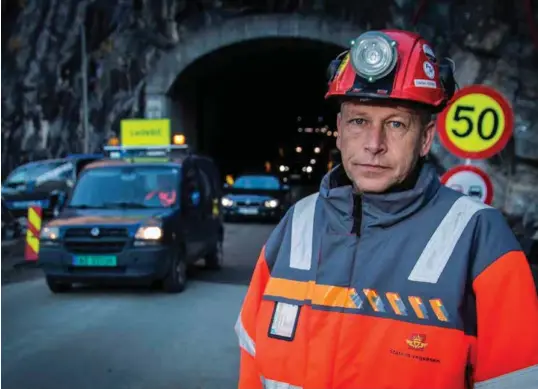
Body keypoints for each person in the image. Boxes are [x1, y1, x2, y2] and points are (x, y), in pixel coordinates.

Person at [235, 29, 538, 389]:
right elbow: (252, 359)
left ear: (425, 138)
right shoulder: (298, 222)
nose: (374, 144)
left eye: (396, 124)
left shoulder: (479, 237)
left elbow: (516, 379)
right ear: (339, 130)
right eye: (359, 121)